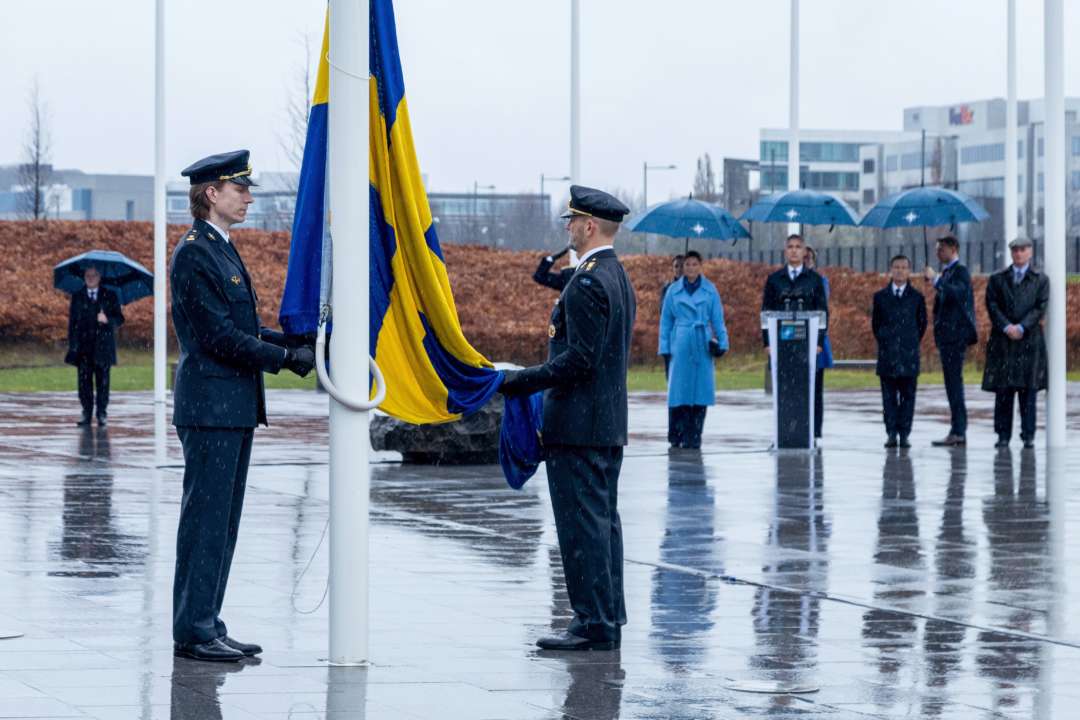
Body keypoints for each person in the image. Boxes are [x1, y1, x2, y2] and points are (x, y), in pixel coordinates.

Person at [170, 150, 315, 662]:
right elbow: (218, 337)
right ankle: (193, 630)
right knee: (206, 521)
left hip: (231, 406)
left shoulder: (222, 249)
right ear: (212, 193)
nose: (249, 197)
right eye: (240, 188)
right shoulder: (195, 252)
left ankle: (207, 620)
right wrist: (284, 359)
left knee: (223, 522)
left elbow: (244, 330)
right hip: (210, 405)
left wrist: (297, 343)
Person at [500, 185, 635, 651]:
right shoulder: (615, 275)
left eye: (572, 221)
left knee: (583, 528)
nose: (568, 227)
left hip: (579, 425)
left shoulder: (589, 280)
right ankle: (606, 615)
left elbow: (579, 360)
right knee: (601, 524)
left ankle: (593, 622)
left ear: (589, 226)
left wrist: (520, 380)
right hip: (602, 422)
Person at [761, 234, 828, 446]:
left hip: (807, 346)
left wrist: (818, 342)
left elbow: (822, 313)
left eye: (798, 247)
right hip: (781, 345)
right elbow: (766, 313)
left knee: (811, 390)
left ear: (805, 251)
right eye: (790, 246)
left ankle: (812, 435)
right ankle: (782, 434)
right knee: (783, 390)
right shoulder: (774, 280)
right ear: (785, 251)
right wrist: (767, 343)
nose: (794, 250)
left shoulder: (814, 280)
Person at [981, 237, 1048, 449]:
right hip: (1003, 342)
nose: (1018, 253)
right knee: (1004, 391)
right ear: (1011, 253)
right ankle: (1003, 435)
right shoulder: (998, 279)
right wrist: (1006, 326)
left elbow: (1040, 307)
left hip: (1029, 342)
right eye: (1015, 250)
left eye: (1023, 250)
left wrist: (1022, 327)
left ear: (1030, 252)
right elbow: (992, 305)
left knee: (1028, 391)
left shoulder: (1040, 280)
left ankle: (1028, 435)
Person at [659, 250, 728, 450]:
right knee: (678, 392)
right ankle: (676, 434)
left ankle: (694, 435)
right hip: (680, 343)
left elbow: (718, 318)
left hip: (702, 343)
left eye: (694, 264)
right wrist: (664, 348)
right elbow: (666, 322)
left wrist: (722, 343)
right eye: (687, 264)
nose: (690, 268)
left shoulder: (710, 290)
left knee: (700, 392)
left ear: (701, 266)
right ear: (683, 267)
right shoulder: (673, 291)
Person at [923, 235, 977, 447]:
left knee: (954, 383)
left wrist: (937, 280)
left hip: (956, 336)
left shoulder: (960, 272)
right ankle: (957, 428)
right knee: (951, 383)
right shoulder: (948, 273)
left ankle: (959, 430)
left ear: (953, 248)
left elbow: (957, 294)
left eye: (941, 249)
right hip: (946, 336)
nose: (938, 253)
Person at [872, 255, 928, 448]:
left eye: (904, 267)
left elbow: (922, 324)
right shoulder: (880, 297)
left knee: (908, 397)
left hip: (908, 355)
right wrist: (888, 340)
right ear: (890, 269)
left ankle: (904, 433)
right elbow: (876, 325)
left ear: (909, 271)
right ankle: (891, 433)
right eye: (896, 267)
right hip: (887, 355)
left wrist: (908, 342)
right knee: (888, 397)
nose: (900, 271)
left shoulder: (917, 297)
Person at [65, 266, 124, 427]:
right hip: (83, 349)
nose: (90, 278)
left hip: (103, 349)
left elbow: (119, 319)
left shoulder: (109, 296)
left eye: (94, 275)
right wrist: (73, 345)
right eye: (87, 275)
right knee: (84, 384)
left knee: (103, 383)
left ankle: (102, 413)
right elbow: (72, 324)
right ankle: (86, 412)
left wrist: (107, 320)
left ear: (99, 277)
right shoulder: (77, 296)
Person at [804, 246, 832, 442]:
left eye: (808, 258)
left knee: (815, 391)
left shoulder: (820, 281)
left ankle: (814, 430)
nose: (805, 260)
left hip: (815, 341)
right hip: (792, 342)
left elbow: (822, 309)